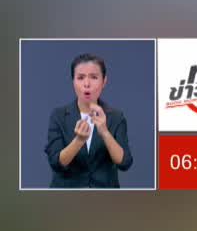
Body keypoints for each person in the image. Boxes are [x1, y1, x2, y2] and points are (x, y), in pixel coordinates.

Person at [44, 53, 133, 188]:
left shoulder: (116, 117)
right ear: (73, 81)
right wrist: (79, 140)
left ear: (104, 81)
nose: (87, 84)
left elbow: (125, 163)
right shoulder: (59, 116)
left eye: (94, 77)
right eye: (80, 78)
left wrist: (104, 132)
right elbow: (56, 163)